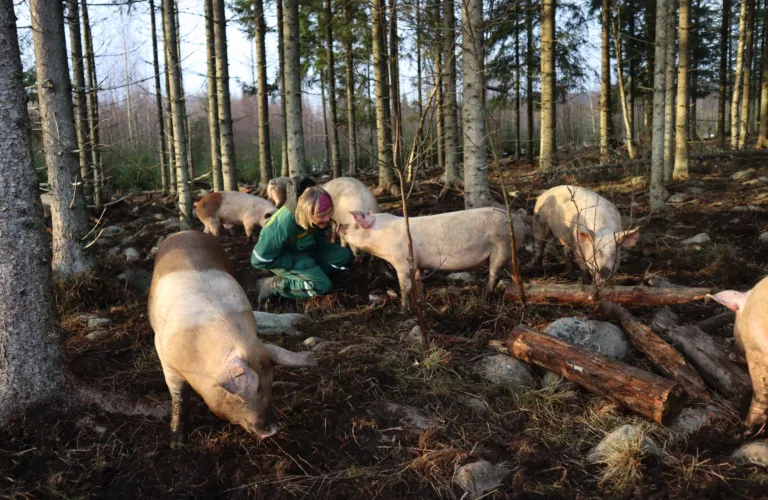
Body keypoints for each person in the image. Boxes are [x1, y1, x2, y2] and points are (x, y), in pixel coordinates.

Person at [251, 184, 353, 301]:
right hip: (289, 257)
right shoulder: (280, 227)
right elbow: (258, 260)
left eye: (329, 214)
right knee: (322, 286)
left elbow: (318, 236)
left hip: (307, 247)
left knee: (345, 258)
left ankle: (312, 276)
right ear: (306, 211)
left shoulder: (313, 214)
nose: (327, 219)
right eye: (321, 216)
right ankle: (272, 285)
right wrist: (291, 262)